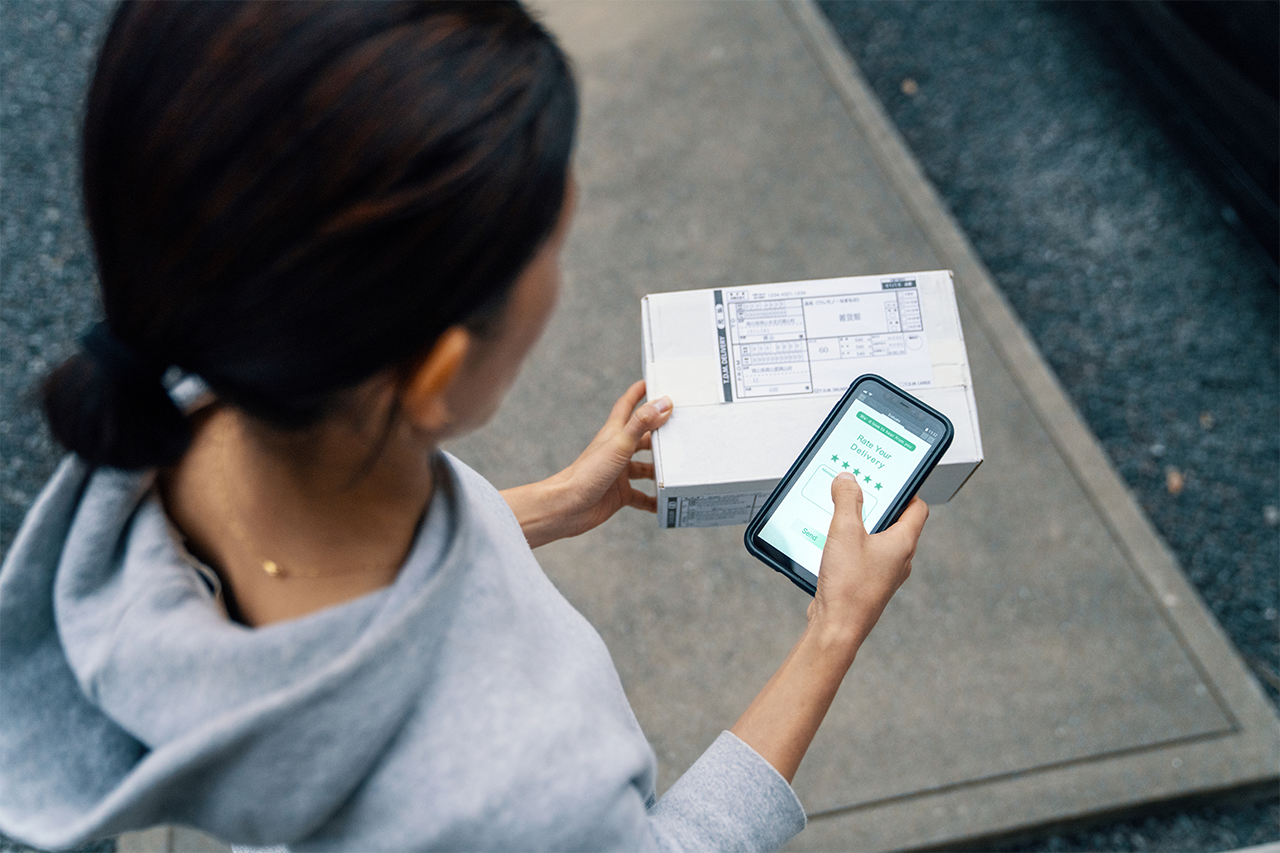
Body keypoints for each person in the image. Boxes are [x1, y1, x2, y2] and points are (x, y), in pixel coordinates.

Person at [0, 0, 929, 850]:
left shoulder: (203, 382)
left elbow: (352, 561)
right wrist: (833, 627)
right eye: (550, 246)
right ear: (436, 375)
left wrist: (556, 502)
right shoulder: (518, 788)